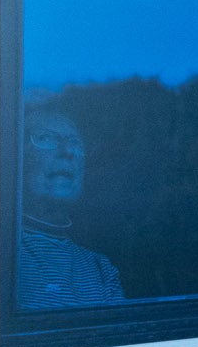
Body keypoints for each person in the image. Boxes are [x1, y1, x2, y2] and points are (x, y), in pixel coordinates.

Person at [15, 109, 125, 309]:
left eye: (75, 142)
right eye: (45, 138)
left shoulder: (101, 270)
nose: (67, 151)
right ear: (16, 157)